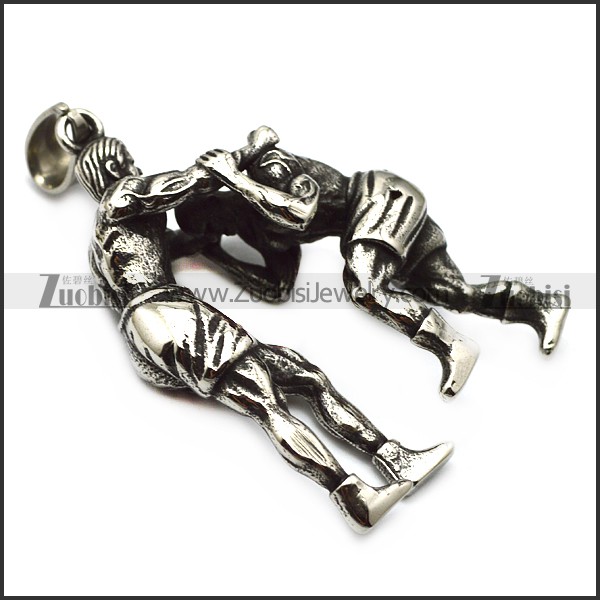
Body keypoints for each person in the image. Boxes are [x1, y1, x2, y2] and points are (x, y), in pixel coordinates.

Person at [30, 109, 453, 533]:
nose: (135, 167)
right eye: (128, 161)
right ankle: (352, 495)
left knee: (306, 377)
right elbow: (192, 181)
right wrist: (245, 154)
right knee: (266, 403)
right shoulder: (122, 194)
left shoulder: (106, 241)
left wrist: (212, 238)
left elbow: (181, 244)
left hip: (149, 330)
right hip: (168, 314)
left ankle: (395, 458)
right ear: (113, 166)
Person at [173, 146, 569, 398]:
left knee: (362, 287)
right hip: (375, 219)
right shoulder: (262, 233)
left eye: (214, 224)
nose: (223, 232)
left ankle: (451, 345)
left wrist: (232, 175)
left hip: (379, 197)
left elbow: (300, 213)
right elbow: (277, 286)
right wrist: (214, 255)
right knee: (453, 292)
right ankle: (540, 306)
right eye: (215, 233)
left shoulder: (266, 169)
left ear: (216, 201)